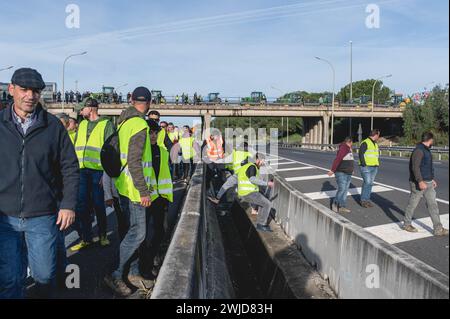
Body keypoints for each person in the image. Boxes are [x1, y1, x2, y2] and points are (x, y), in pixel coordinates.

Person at [0, 68, 79, 298]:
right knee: (9, 279)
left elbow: (70, 167)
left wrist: (68, 204)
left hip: (42, 215)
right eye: (24, 89)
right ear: (12, 89)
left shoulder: (53, 126)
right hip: (5, 217)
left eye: (35, 91)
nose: (30, 95)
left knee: (44, 275)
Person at [104, 87, 155, 296]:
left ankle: (132, 273)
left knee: (130, 232)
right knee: (138, 233)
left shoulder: (124, 122)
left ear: (132, 100)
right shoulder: (139, 124)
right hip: (134, 190)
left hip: (123, 186)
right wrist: (144, 191)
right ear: (150, 103)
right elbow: (134, 161)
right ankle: (115, 274)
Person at [71, 98, 115, 251]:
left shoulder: (106, 124)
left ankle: (103, 235)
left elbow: (111, 150)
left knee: (98, 204)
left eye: (81, 109)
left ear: (90, 108)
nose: (80, 112)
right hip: (82, 171)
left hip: (98, 171)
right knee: (82, 205)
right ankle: (86, 237)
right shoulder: (82, 124)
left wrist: (106, 174)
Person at [138, 119, 173, 280]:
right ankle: (144, 266)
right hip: (145, 198)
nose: (153, 135)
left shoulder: (163, 152)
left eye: (155, 133)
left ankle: (152, 257)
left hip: (160, 198)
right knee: (142, 235)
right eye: (150, 133)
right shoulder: (140, 152)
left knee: (160, 231)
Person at [402, 132, 449, 236]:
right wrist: (420, 181)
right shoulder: (419, 150)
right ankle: (406, 223)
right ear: (430, 140)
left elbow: (426, 167)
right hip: (418, 183)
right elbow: (415, 167)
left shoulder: (426, 149)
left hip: (428, 182)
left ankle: (438, 228)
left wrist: (431, 179)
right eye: (433, 140)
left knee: (433, 205)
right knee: (413, 204)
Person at [237, 153, 274, 232]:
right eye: (262, 161)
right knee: (268, 204)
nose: (263, 163)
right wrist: (267, 183)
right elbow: (252, 179)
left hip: (245, 192)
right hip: (248, 193)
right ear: (257, 160)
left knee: (263, 202)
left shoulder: (249, 166)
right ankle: (261, 224)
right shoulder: (252, 166)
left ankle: (260, 223)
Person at [327, 137, 354, 213]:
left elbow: (350, 161)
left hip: (348, 172)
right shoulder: (343, 148)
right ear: (350, 142)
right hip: (341, 172)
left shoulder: (348, 149)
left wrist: (352, 170)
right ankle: (335, 204)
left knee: (345, 190)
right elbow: (338, 159)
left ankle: (342, 206)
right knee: (342, 189)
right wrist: (332, 170)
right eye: (352, 143)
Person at [358, 129, 381, 208]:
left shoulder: (375, 144)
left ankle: (367, 200)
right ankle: (363, 200)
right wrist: (363, 164)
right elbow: (361, 153)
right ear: (376, 135)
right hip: (366, 167)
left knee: (370, 184)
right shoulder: (365, 142)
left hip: (374, 167)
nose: (379, 137)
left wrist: (376, 164)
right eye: (378, 135)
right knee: (367, 183)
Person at [103, 172, 128, 242]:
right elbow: (106, 174)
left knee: (132, 224)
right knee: (123, 222)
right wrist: (108, 196)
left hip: (133, 195)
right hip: (118, 195)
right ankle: (124, 246)